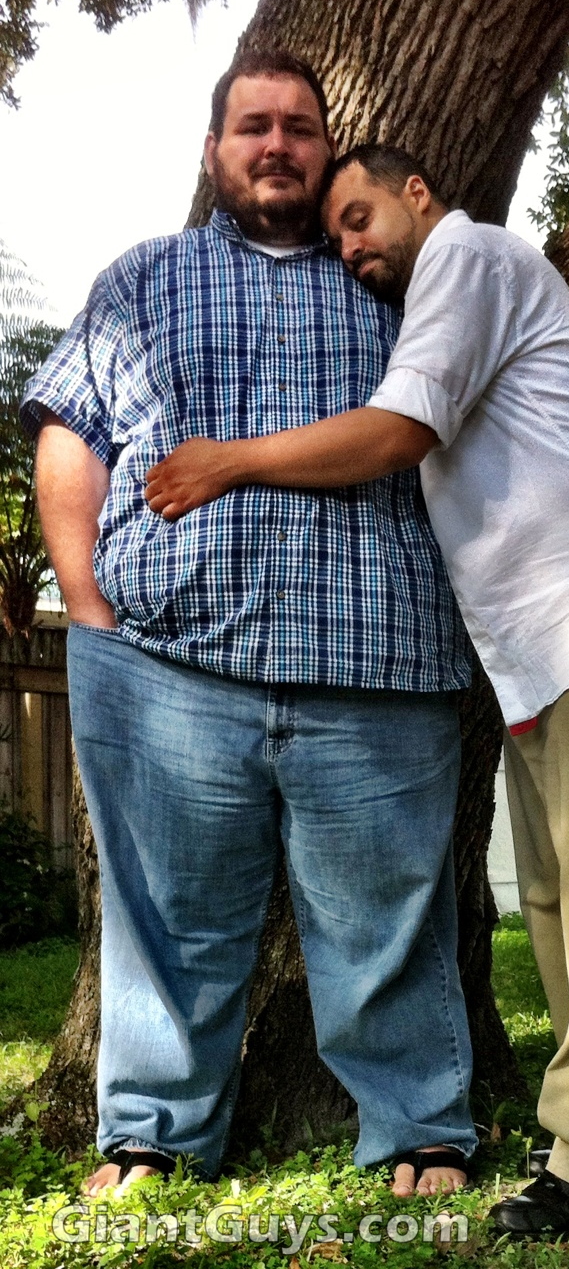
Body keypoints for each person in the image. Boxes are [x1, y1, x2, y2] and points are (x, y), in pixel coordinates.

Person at [146, 144, 569, 1237]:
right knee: (564, 896)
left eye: (359, 216)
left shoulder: (469, 256)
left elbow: (401, 430)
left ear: (416, 194)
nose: (351, 246)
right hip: (543, 637)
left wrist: (228, 460)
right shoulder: (448, 293)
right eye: (336, 238)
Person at [23, 77, 478, 1199]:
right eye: (253, 127)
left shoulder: (394, 281)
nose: (277, 145)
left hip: (375, 659)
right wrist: (87, 608)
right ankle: (151, 1133)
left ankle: (420, 1129)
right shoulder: (143, 277)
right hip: (166, 668)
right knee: (168, 925)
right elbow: (72, 434)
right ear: (214, 148)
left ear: (326, 151)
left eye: (299, 129)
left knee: (385, 927)